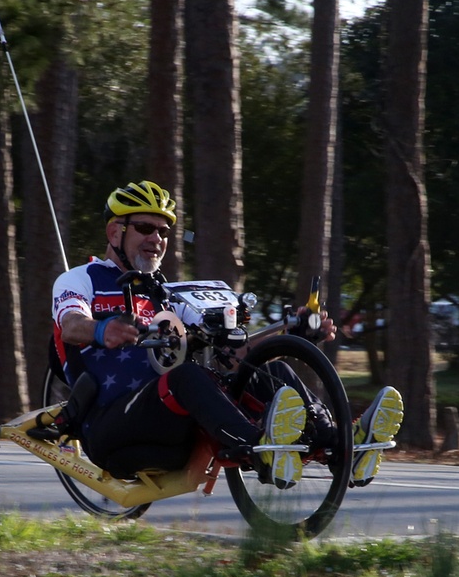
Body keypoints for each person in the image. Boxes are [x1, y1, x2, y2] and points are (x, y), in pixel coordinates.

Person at [50, 180, 403, 488]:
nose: (156, 239)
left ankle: (344, 446)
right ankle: (262, 449)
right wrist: (102, 328)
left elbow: (234, 352)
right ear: (115, 232)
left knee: (270, 371)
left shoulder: (168, 294)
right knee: (185, 375)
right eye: (145, 227)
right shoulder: (81, 279)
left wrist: (294, 333)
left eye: (164, 232)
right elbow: (70, 327)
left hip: (175, 429)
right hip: (111, 429)